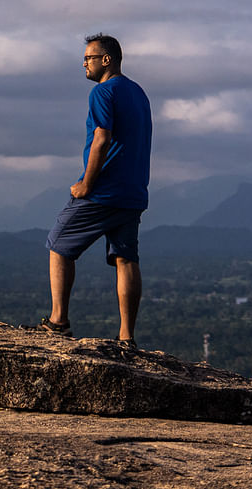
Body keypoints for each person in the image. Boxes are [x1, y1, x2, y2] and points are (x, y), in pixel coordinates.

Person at [32, 33, 152, 347]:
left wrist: (87, 183)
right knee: (125, 258)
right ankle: (126, 337)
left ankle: (59, 322)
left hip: (104, 191)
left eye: (89, 57)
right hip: (134, 192)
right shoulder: (138, 93)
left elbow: (102, 138)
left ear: (107, 59)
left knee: (58, 243)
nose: (84, 63)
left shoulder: (103, 92)